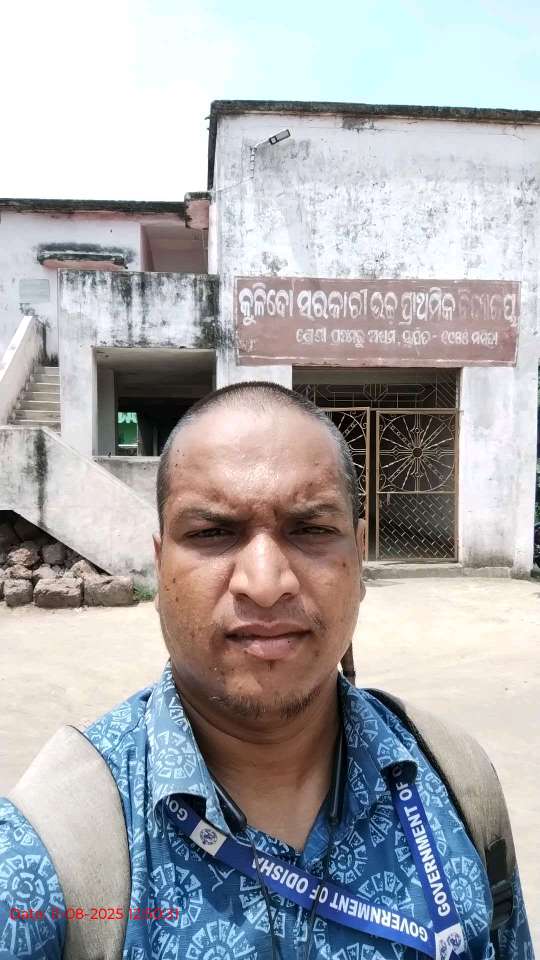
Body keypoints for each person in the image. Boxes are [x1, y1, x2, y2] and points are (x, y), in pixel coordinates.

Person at [0, 382, 533, 960]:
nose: (265, 582)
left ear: (358, 559)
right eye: (212, 533)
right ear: (160, 566)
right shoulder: (48, 854)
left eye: (310, 529)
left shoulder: (456, 783)